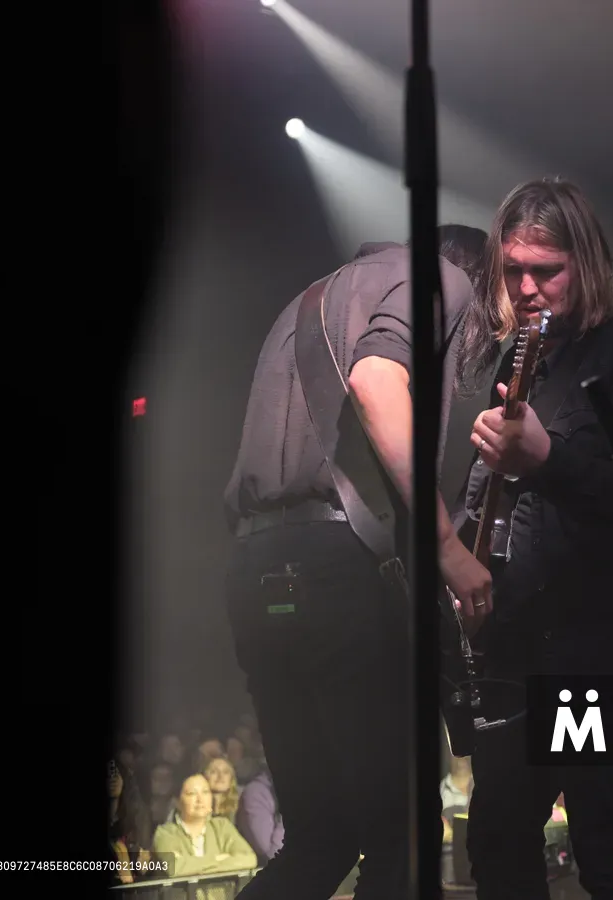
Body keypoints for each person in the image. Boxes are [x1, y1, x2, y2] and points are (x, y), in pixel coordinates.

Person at [222, 226, 494, 899]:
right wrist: (450, 549)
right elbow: (377, 381)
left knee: (319, 838)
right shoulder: (443, 279)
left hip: (255, 570)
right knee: (402, 837)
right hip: (334, 574)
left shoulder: (308, 301)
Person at [455, 177, 613, 900]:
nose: (526, 287)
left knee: (609, 854)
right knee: (497, 850)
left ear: (585, 264)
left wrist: (546, 458)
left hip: (598, 656)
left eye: (545, 270)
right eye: (513, 269)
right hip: (514, 656)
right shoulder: (497, 365)